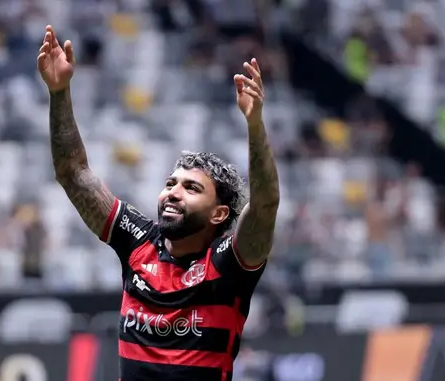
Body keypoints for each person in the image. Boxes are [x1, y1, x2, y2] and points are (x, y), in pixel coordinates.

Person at [38, 25, 279, 381]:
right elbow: (73, 173)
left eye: (191, 188)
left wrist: (254, 124)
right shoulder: (137, 241)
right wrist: (59, 92)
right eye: (170, 183)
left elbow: (264, 203)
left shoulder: (230, 265)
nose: (173, 192)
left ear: (220, 212)